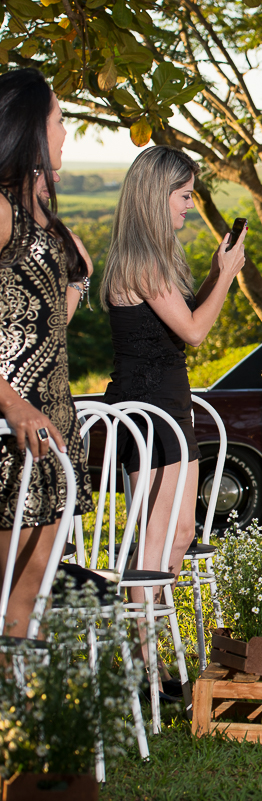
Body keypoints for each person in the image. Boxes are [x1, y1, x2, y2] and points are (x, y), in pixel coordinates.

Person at [100, 147, 245, 685]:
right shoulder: (143, 259)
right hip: (147, 413)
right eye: (183, 195)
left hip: (168, 406)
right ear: (155, 195)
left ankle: (149, 649)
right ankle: (145, 664)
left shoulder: (155, 258)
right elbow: (193, 332)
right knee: (159, 536)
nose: (189, 205)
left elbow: (183, 320)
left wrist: (213, 275)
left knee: (180, 531)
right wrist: (229, 275)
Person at [0, 69, 95, 638]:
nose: (66, 133)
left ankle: (19, 724)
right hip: (11, 435)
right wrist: (12, 406)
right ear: (32, 128)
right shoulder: (2, 208)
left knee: (26, 605)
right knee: (6, 603)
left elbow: (39, 325)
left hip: (53, 429)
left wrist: (72, 281)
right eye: (61, 121)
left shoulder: (35, 214)